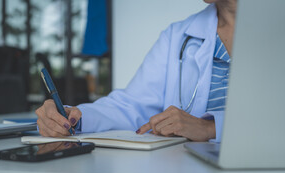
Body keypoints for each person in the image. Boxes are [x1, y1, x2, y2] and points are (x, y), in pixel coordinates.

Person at [36, 0, 237, 143]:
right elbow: (131, 106)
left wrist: (211, 128)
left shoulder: (268, 32)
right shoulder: (178, 36)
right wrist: (73, 117)